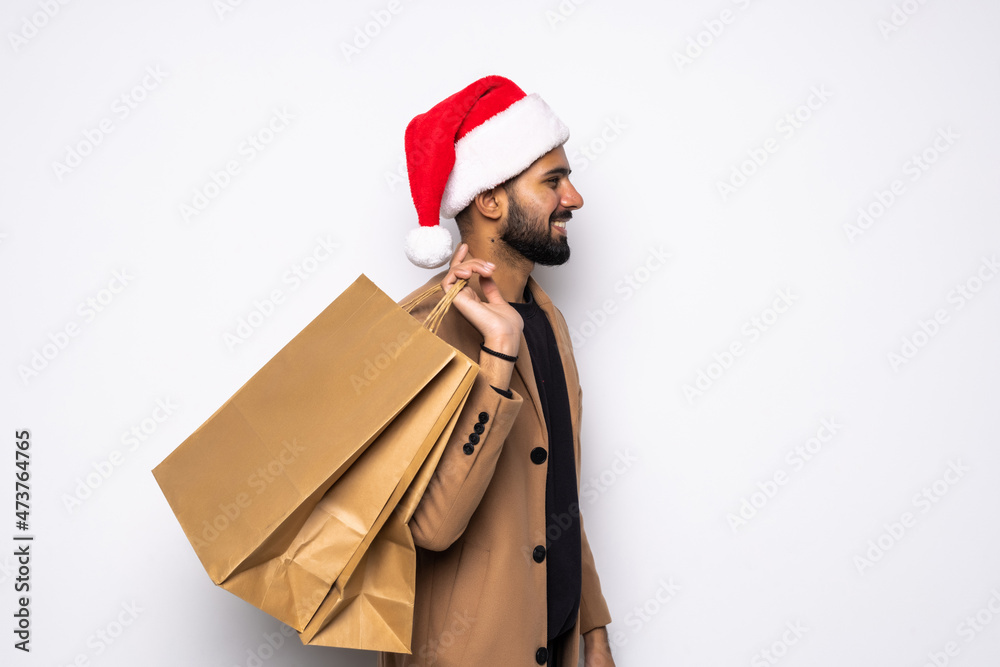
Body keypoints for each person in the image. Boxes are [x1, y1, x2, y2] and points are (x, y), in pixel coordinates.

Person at [379, 75, 616, 667]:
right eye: (553, 181)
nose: (575, 198)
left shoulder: (547, 318)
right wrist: (498, 358)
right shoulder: (423, 331)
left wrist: (594, 631)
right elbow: (430, 526)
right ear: (489, 200)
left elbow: (557, 484)